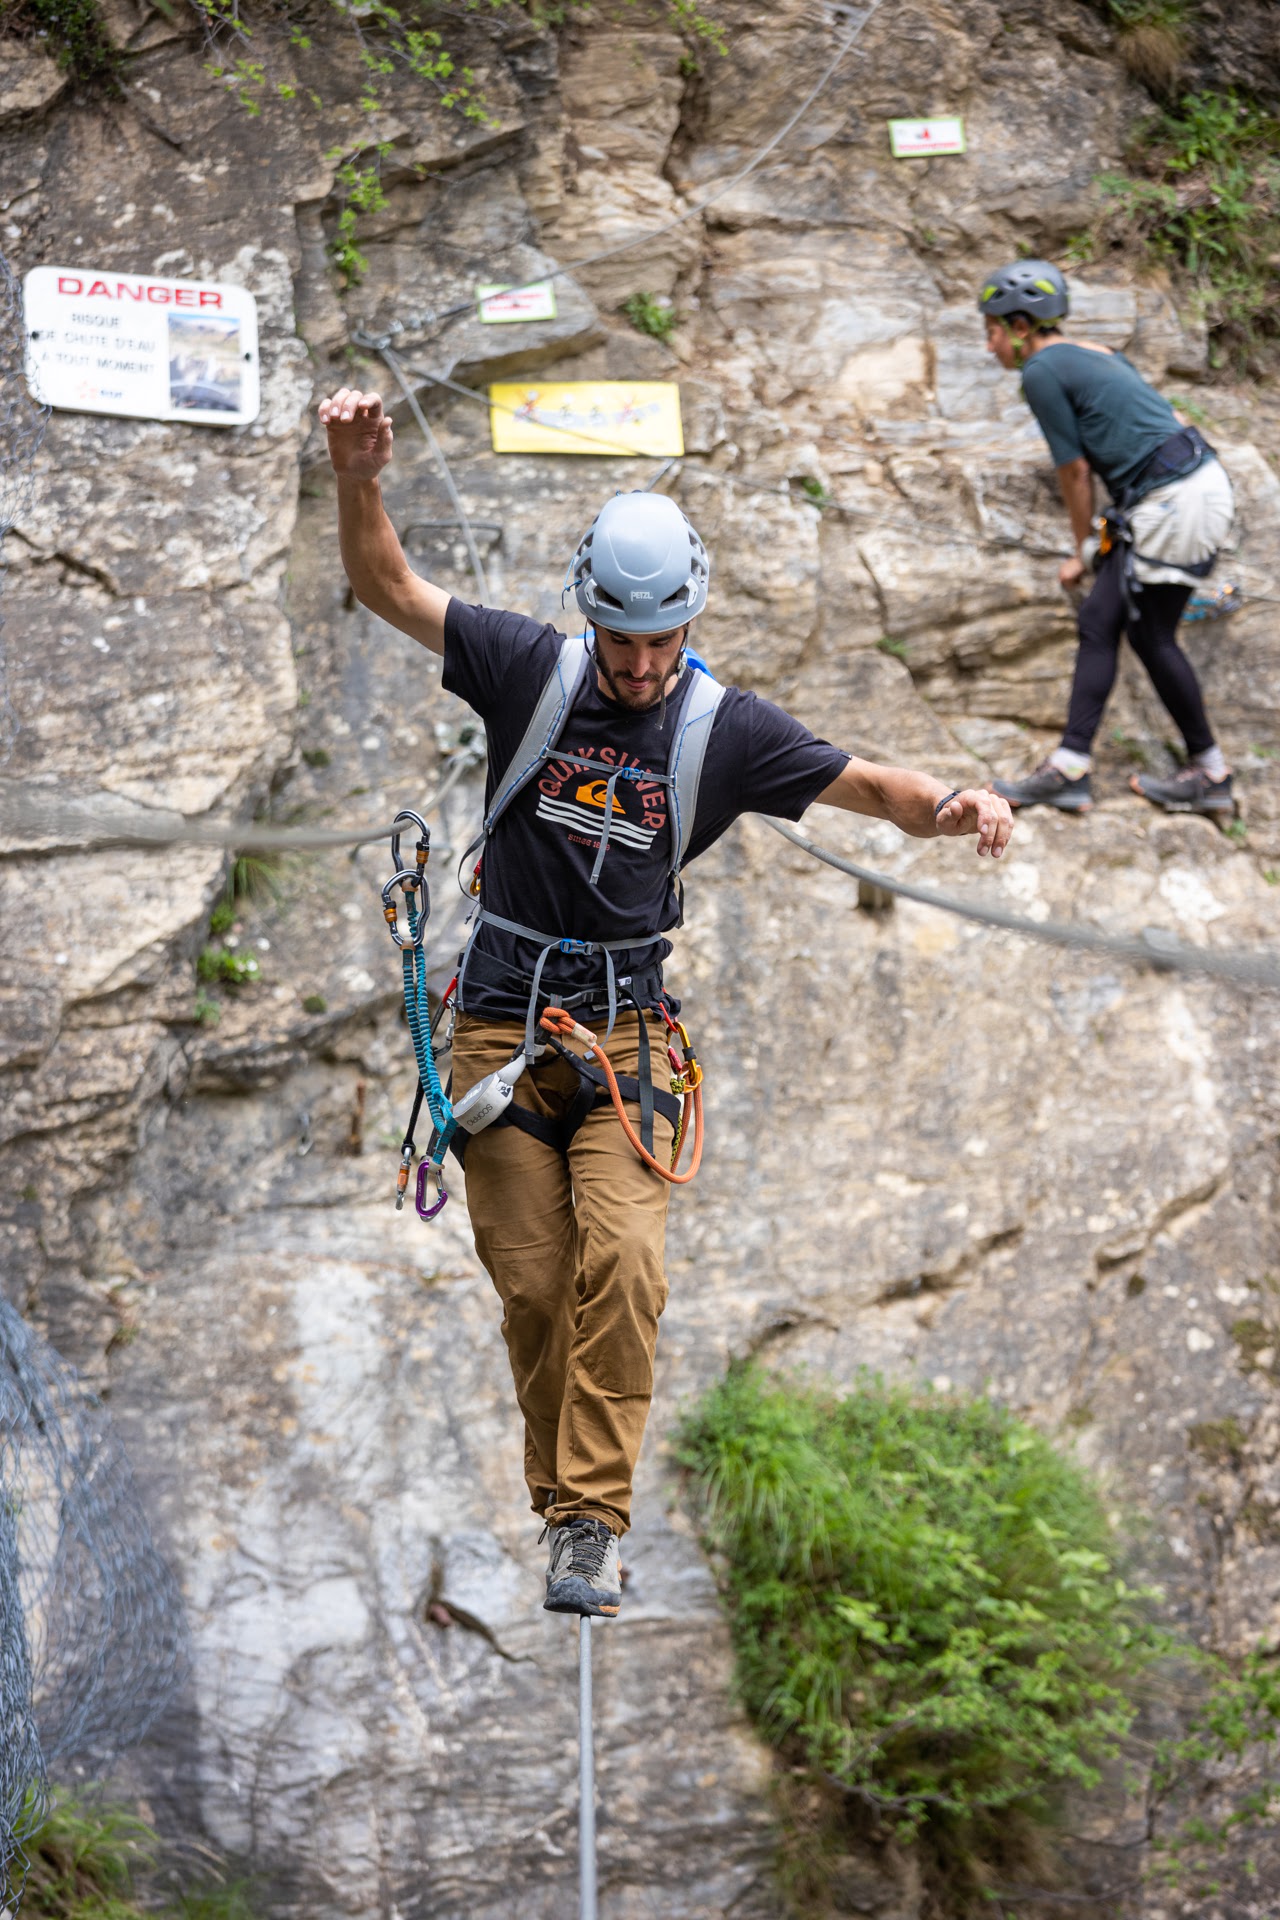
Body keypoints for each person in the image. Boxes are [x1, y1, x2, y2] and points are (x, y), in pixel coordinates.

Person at [318, 386, 1014, 1619]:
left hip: (628, 1040)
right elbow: (388, 587)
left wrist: (952, 805)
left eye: (661, 640)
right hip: (497, 1030)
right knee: (536, 1289)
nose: (640, 666)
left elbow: (869, 786)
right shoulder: (529, 671)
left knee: (626, 1265)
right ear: (588, 614)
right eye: (620, 641)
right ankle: (565, 1508)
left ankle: (586, 1524)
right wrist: (356, 475)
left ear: (690, 619)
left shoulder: (719, 730)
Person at [979, 260, 1236, 818]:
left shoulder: (1041, 370)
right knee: (1113, 622)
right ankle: (1082, 767)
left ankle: (1202, 772)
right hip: (1187, 489)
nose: (989, 345)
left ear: (1021, 327)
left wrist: (1083, 551)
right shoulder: (1099, 353)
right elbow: (1165, 419)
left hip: (1172, 500)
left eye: (992, 331)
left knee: (1140, 632)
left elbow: (1074, 472)